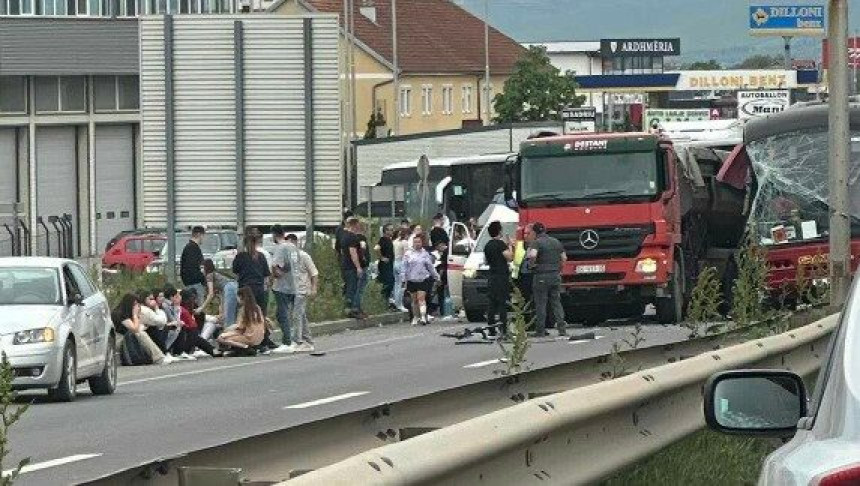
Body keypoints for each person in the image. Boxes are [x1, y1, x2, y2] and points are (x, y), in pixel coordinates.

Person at [232, 230, 273, 351]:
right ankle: (263, 341)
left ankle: (248, 339)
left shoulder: (240, 256)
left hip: (246, 290)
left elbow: (235, 271)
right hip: (260, 289)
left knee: (247, 316)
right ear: (258, 242)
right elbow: (266, 274)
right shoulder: (261, 256)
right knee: (261, 316)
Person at [527, 222, 568, 337]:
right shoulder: (556, 241)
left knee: (541, 303)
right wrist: (559, 269)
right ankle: (562, 329)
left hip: (541, 276)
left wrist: (531, 265)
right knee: (556, 302)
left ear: (535, 232)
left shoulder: (537, 242)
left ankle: (540, 330)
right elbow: (564, 257)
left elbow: (532, 255)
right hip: (555, 275)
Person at [112, 294, 175, 366]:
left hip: (125, 338)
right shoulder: (119, 314)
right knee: (140, 334)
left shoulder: (126, 313)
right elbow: (135, 329)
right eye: (134, 304)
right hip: (118, 340)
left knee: (148, 330)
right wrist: (135, 315)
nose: (136, 307)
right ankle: (159, 358)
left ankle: (156, 356)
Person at [286, 233, 319, 352]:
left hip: (302, 290)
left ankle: (297, 341)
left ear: (296, 243)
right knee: (301, 315)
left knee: (297, 315)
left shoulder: (304, 256)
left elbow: (314, 273)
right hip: (292, 291)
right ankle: (308, 341)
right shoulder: (288, 258)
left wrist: (314, 288)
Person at [401, 233, 439, 325]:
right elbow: (404, 267)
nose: (417, 244)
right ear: (413, 243)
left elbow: (430, 266)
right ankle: (415, 317)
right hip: (412, 280)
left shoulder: (425, 254)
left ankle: (423, 317)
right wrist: (403, 279)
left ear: (422, 243)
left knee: (421, 298)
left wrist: (436, 276)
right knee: (414, 300)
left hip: (423, 279)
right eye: (415, 242)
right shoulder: (408, 254)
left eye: (419, 242)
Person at [484, 221, 513, 337]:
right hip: (501, 276)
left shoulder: (487, 245)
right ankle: (503, 329)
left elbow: (486, 261)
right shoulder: (501, 244)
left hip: (491, 275)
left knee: (492, 303)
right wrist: (510, 245)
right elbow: (509, 257)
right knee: (502, 303)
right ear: (499, 231)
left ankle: (491, 328)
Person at [271, 225, 297, 354]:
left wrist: (275, 275)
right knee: (294, 313)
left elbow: (276, 268)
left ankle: (287, 341)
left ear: (274, 235)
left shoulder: (280, 248)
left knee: (282, 314)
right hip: (294, 284)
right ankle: (296, 339)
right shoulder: (292, 246)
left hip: (282, 286)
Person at [217, 286, 266, 355]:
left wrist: (228, 329)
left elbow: (240, 327)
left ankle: (245, 347)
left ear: (241, 297)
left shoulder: (244, 310)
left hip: (249, 336)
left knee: (221, 338)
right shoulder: (257, 307)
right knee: (229, 334)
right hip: (259, 337)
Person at [174, 289, 219, 358]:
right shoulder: (180, 309)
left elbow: (202, 319)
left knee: (200, 333)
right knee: (195, 335)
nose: (192, 302)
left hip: (192, 335)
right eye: (190, 299)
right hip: (184, 337)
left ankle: (212, 350)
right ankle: (212, 350)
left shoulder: (190, 310)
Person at [341, 217, 369, 319]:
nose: (359, 226)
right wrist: (358, 267)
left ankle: (350, 309)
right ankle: (353, 310)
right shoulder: (352, 237)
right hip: (352, 266)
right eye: (358, 224)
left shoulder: (344, 236)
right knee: (353, 288)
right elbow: (353, 252)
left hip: (345, 265)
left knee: (350, 288)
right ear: (355, 224)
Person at [200, 259, 239, 328]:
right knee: (232, 315)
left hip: (229, 288)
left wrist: (201, 308)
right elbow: (222, 296)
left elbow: (211, 294)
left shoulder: (209, 275)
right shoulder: (216, 274)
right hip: (235, 286)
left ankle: (228, 335)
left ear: (207, 267)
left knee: (228, 318)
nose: (201, 270)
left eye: (202, 268)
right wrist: (221, 312)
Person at [430, 214, 450, 317]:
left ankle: (438, 309)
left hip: (439, 264)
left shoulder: (432, 232)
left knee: (439, 289)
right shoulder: (440, 231)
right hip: (441, 265)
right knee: (441, 288)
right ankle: (443, 310)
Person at [180, 226, 207, 303]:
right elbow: (193, 268)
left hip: (191, 283)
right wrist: (203, 279)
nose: (204, 239)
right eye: (203, 236)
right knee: (198, 308)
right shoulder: (192, 248)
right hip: (195, 284)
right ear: (199, 234)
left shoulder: (190, 247)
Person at [335, 210, 354, 299]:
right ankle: (347, 300)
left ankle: (346, 299)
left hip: (342, 257)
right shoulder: (343, 230)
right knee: (349, 281)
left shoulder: (339, 229)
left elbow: (337, 245)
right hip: (347, 257)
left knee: (347, 280)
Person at [376, 224, 396, 309]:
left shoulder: (389, 240)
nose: (392, 231)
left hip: (390, 264)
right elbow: (376, 248)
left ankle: (385, 302)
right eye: (390, 230)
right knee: (388, 283)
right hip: (385, 265)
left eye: (392, 229)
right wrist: (382, 258)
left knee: (390, 282)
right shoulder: (383, 240)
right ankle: (383, 301)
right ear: (386, 231)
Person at [392, 227, 410, 312]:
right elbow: (406, 255)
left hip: (394, 262)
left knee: (396, 285)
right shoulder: (404, 242)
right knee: (402, 285)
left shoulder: (394, 241)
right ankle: (399, 304)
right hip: (401, 263)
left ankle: (396, 302)